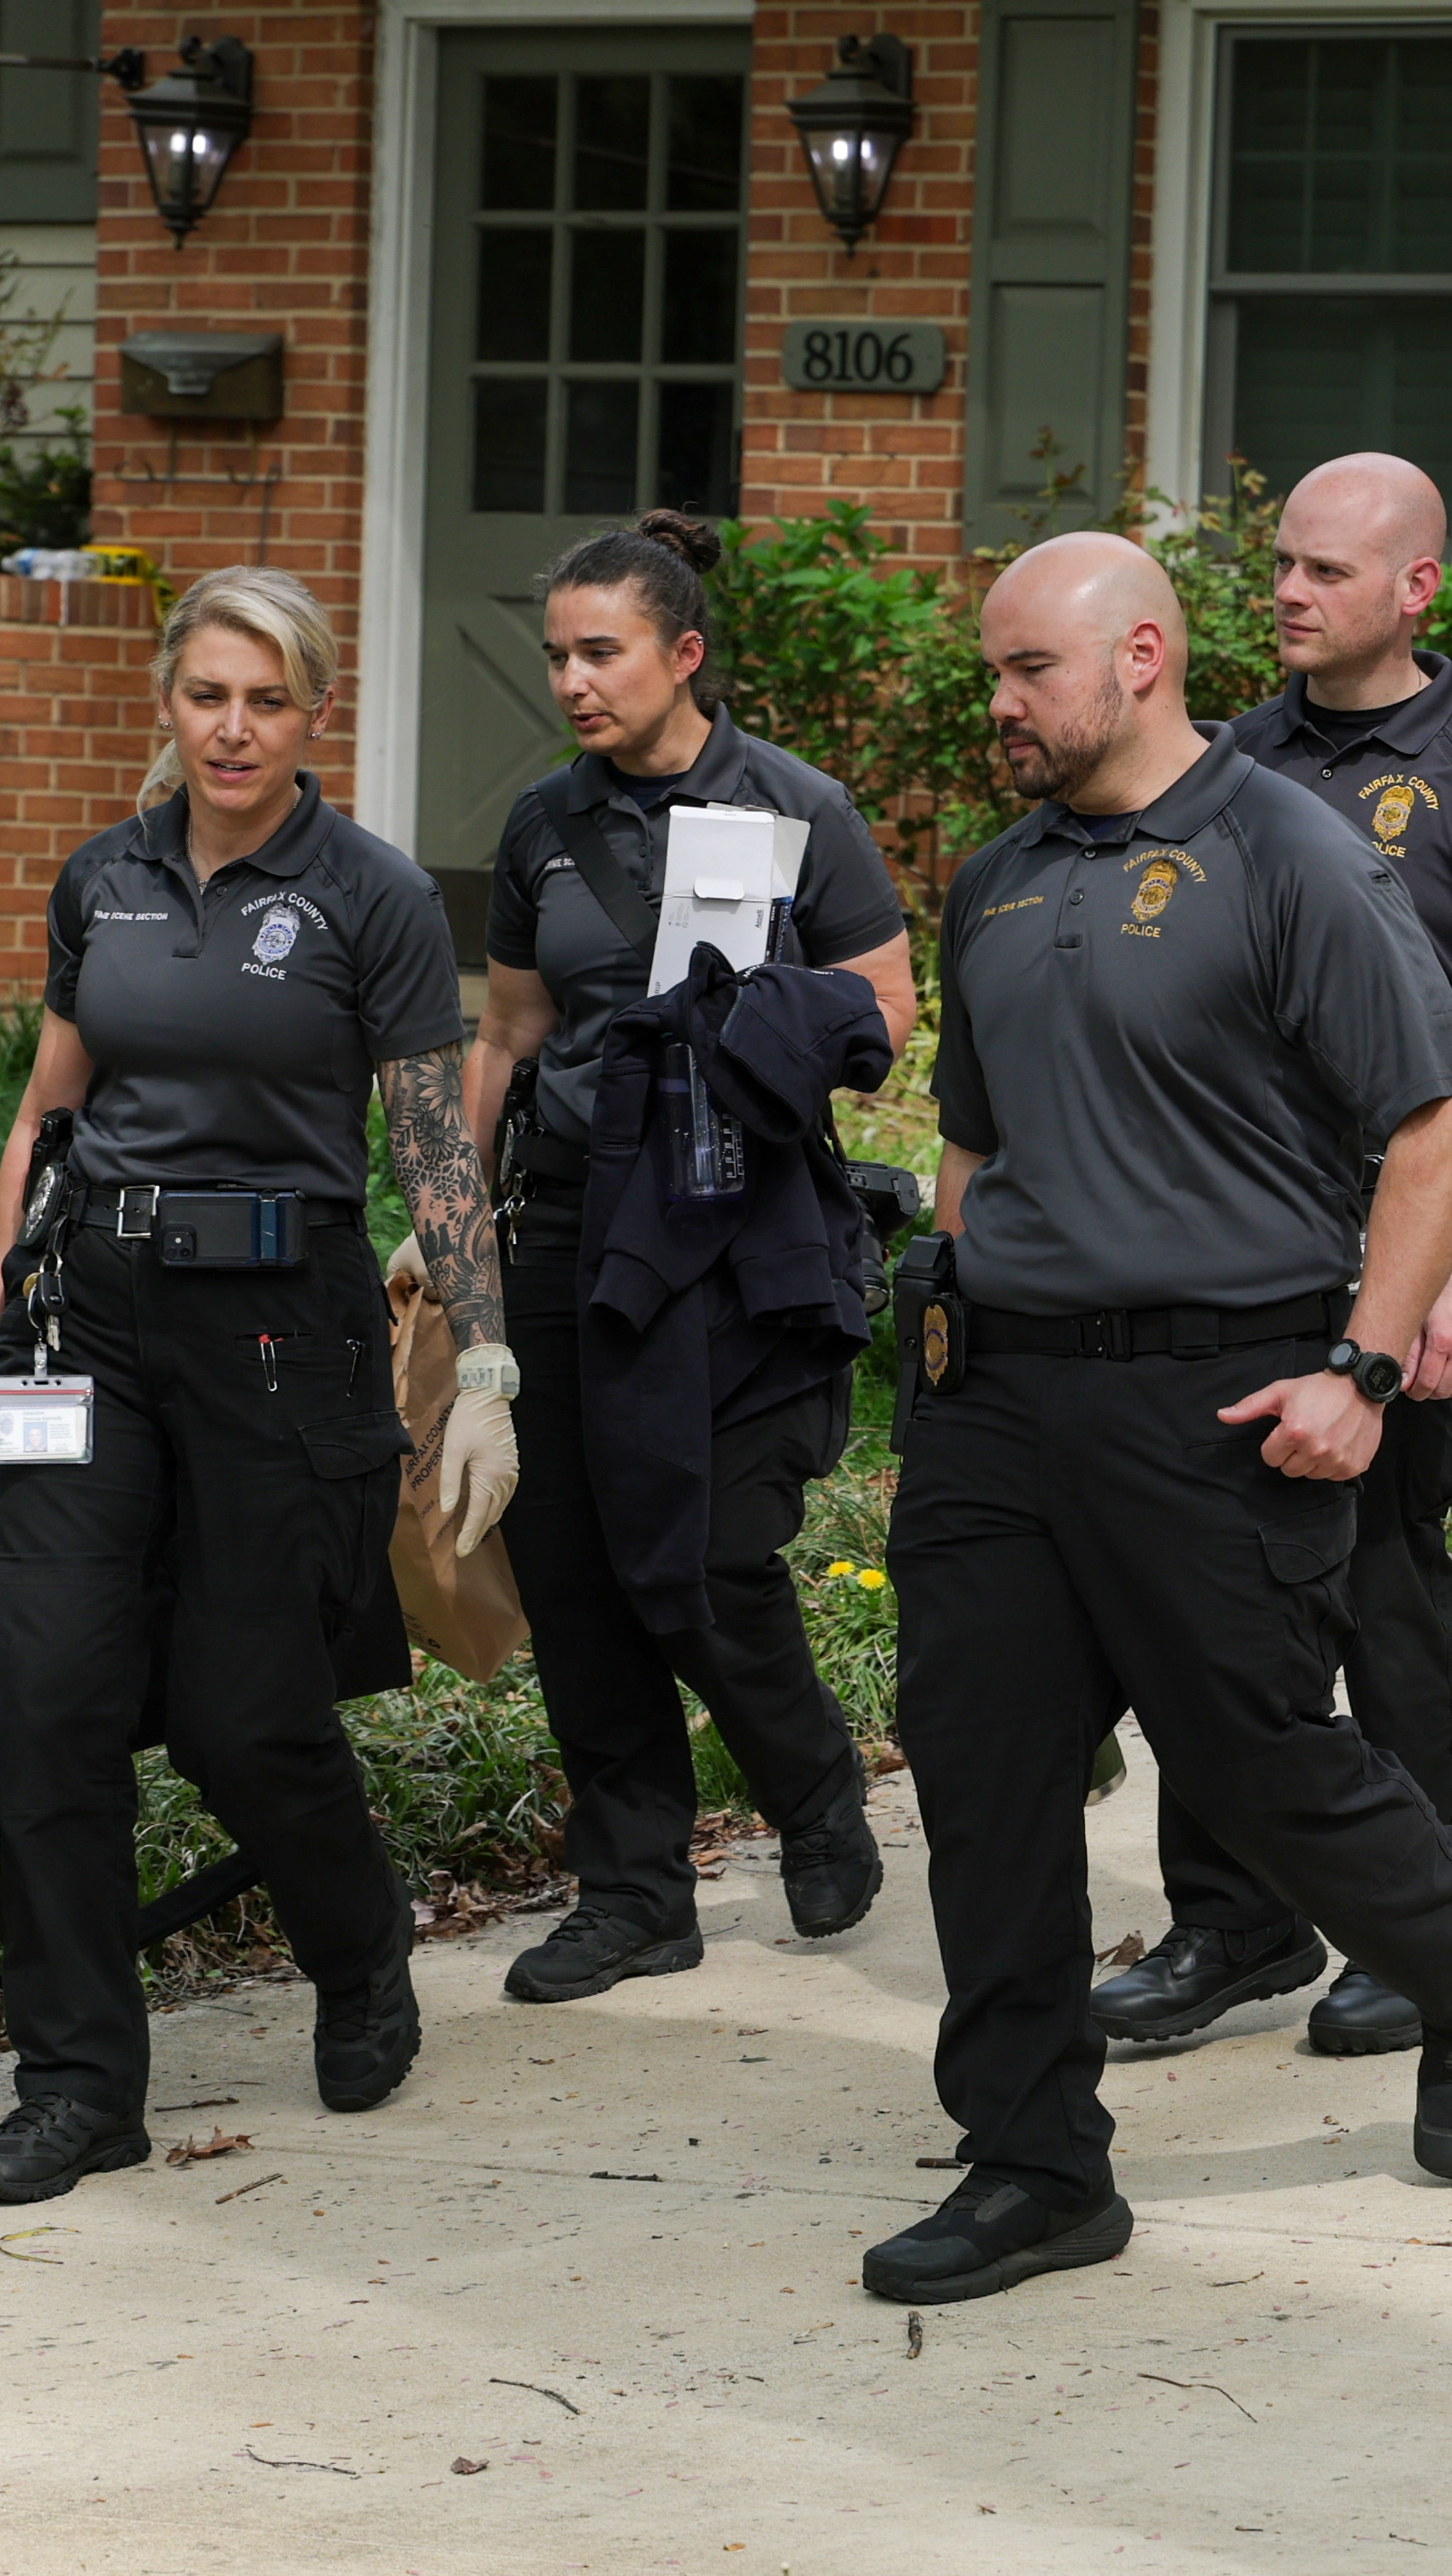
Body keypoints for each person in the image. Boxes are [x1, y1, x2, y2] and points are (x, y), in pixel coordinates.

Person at [868, 532, 1452, 2306]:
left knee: (1253, 1757)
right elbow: (973, 1139)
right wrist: (953, 1322)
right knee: (983, 1779)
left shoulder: (1292, 854)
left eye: (1029, 669)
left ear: (1143, 657)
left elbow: (1438, 1130)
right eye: (992, 674)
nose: (1002, 704)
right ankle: (1034, 2162)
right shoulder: (998, 880)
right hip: (999, 1398)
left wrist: (1364, 1364)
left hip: (1215, 1390)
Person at [0, 565, 515, 2205]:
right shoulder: (103, 879)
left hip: (283, 1329)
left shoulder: (373, 895)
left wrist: (481, 1358)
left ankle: (361, 1945)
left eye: (267, 699)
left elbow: (429, 1143)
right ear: (168, 700)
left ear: (312, 713)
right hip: (89, 1321)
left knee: (239, 1712)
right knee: (42, 1691)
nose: (234, 727)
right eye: (209, 694)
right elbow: (51, 1109)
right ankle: (77, 2083)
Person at [1092, 450, 1452, 2060]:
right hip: (1233, 1261)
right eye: (1283, 567)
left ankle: (1427, 1912)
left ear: (1416, 589)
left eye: (1327, 569)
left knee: (1387, 1594)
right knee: (1212, 1602)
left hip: (1397, 1261)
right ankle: (1235, 1921)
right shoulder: (1222, 761)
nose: (1290, 593)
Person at [459, 510, 922, 2003]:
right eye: (557, 656)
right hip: (565, 1219)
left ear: (685, 655)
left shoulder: (799, 809)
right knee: (573, 1559)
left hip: (729, 1224)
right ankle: (635, 1888)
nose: (575, 682)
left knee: (708, 1554)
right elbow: (511, 1032)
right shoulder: (542, 823)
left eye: (603, 653)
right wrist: (444, 1217)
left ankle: (813, 1787)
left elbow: (886, 1016)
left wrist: (764, 1015)